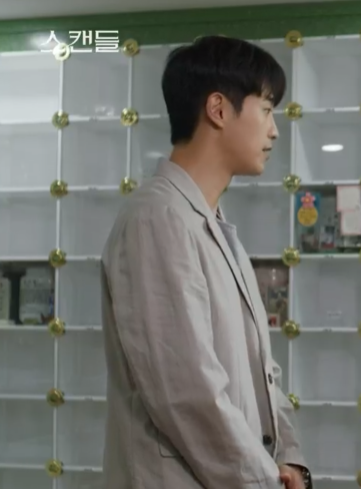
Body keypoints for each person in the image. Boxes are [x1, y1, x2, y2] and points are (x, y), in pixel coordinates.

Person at [99, 36, 311, 489]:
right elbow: (187, 389)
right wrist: (262, 480)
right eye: (266, 109)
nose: (274, 130)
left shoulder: (208, 220)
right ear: (218, 109)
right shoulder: (158, 219)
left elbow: (261, 371)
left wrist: (288, 459)